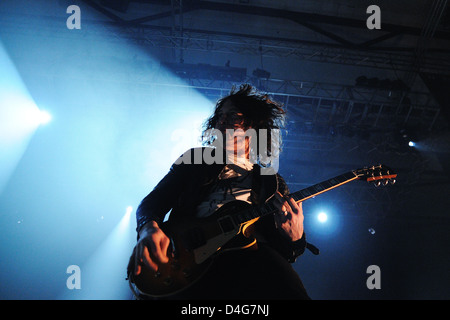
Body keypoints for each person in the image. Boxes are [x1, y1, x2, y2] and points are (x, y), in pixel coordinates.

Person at [128, 84, 315, 300]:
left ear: (254, 127)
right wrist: (148, 229)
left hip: (245, 263)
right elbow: (152, 203)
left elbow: (285, 252)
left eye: (233, 115)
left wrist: (296, 238)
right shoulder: (195, 160)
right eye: (220, 116)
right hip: (188, 254)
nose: (222, 121)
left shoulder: (271, 182)